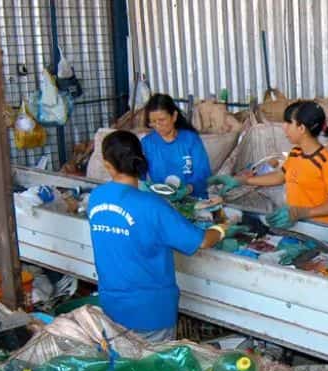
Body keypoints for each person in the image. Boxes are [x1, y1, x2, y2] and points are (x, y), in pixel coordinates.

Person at [88, 131, 240, 342]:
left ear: (107, 164)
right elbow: (202, 241)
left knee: (124, 369)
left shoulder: (96, 198)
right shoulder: (152, 206)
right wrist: (223, 227)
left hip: (112, 308)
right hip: (151, 312)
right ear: (140, 159)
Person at [234, 100, 328, 228]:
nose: (284, 127)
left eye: (288, 123)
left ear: (302, 128)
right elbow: (280, 176)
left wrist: (303, 213)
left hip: (321, 230)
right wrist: (244, 181)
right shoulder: (295, 153)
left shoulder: (326, 161)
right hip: (298, 226)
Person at [141, 94, 212, 198]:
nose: (157, 126)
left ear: (174, 116)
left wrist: (188, 189)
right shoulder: (147, 143)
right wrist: (143, 186)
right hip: (164, 202)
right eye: (153, 122)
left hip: (194, 200)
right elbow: (139, 175)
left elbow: (203, 172)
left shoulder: (190, 139)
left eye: (162, 120)